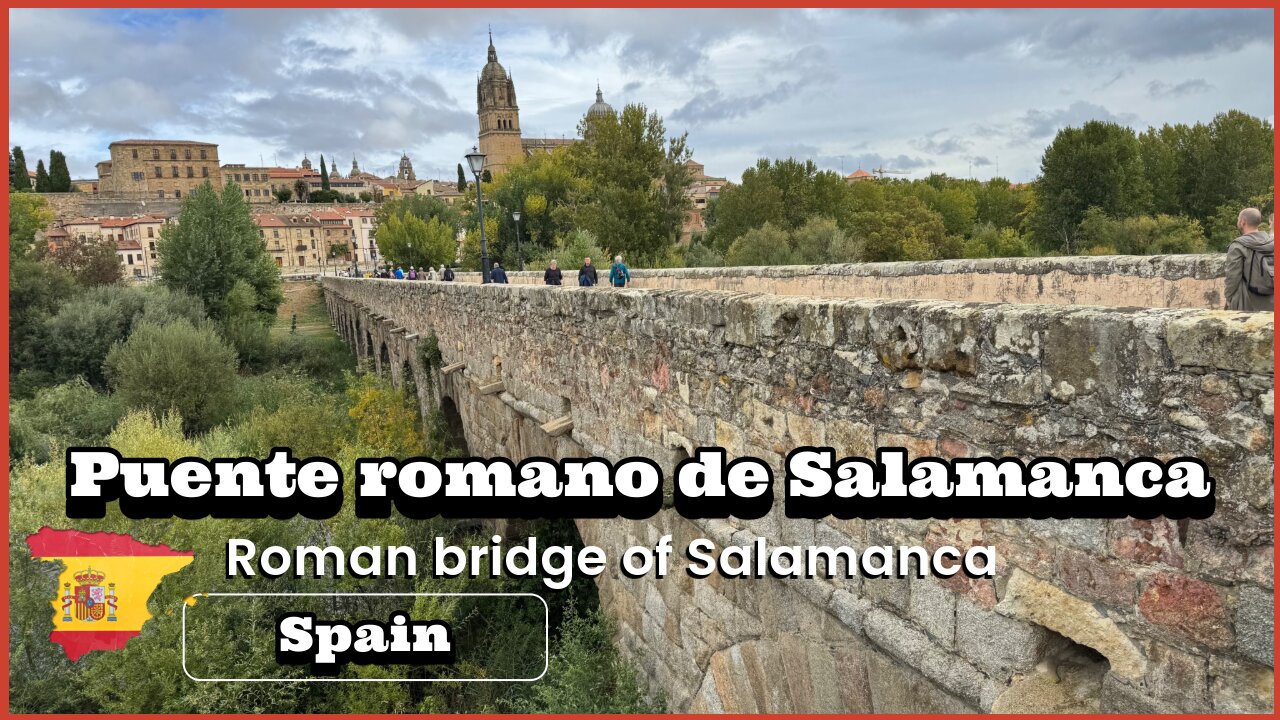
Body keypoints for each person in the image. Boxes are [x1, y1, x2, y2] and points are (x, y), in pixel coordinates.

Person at [1224, 207, 1273, 311]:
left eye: (1238, 219)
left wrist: (1229, 298)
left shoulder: (1238, 246)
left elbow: (1232, 277)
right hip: (1272, 301)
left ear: (1243, 222)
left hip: (1247, 302)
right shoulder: (1272, 241)